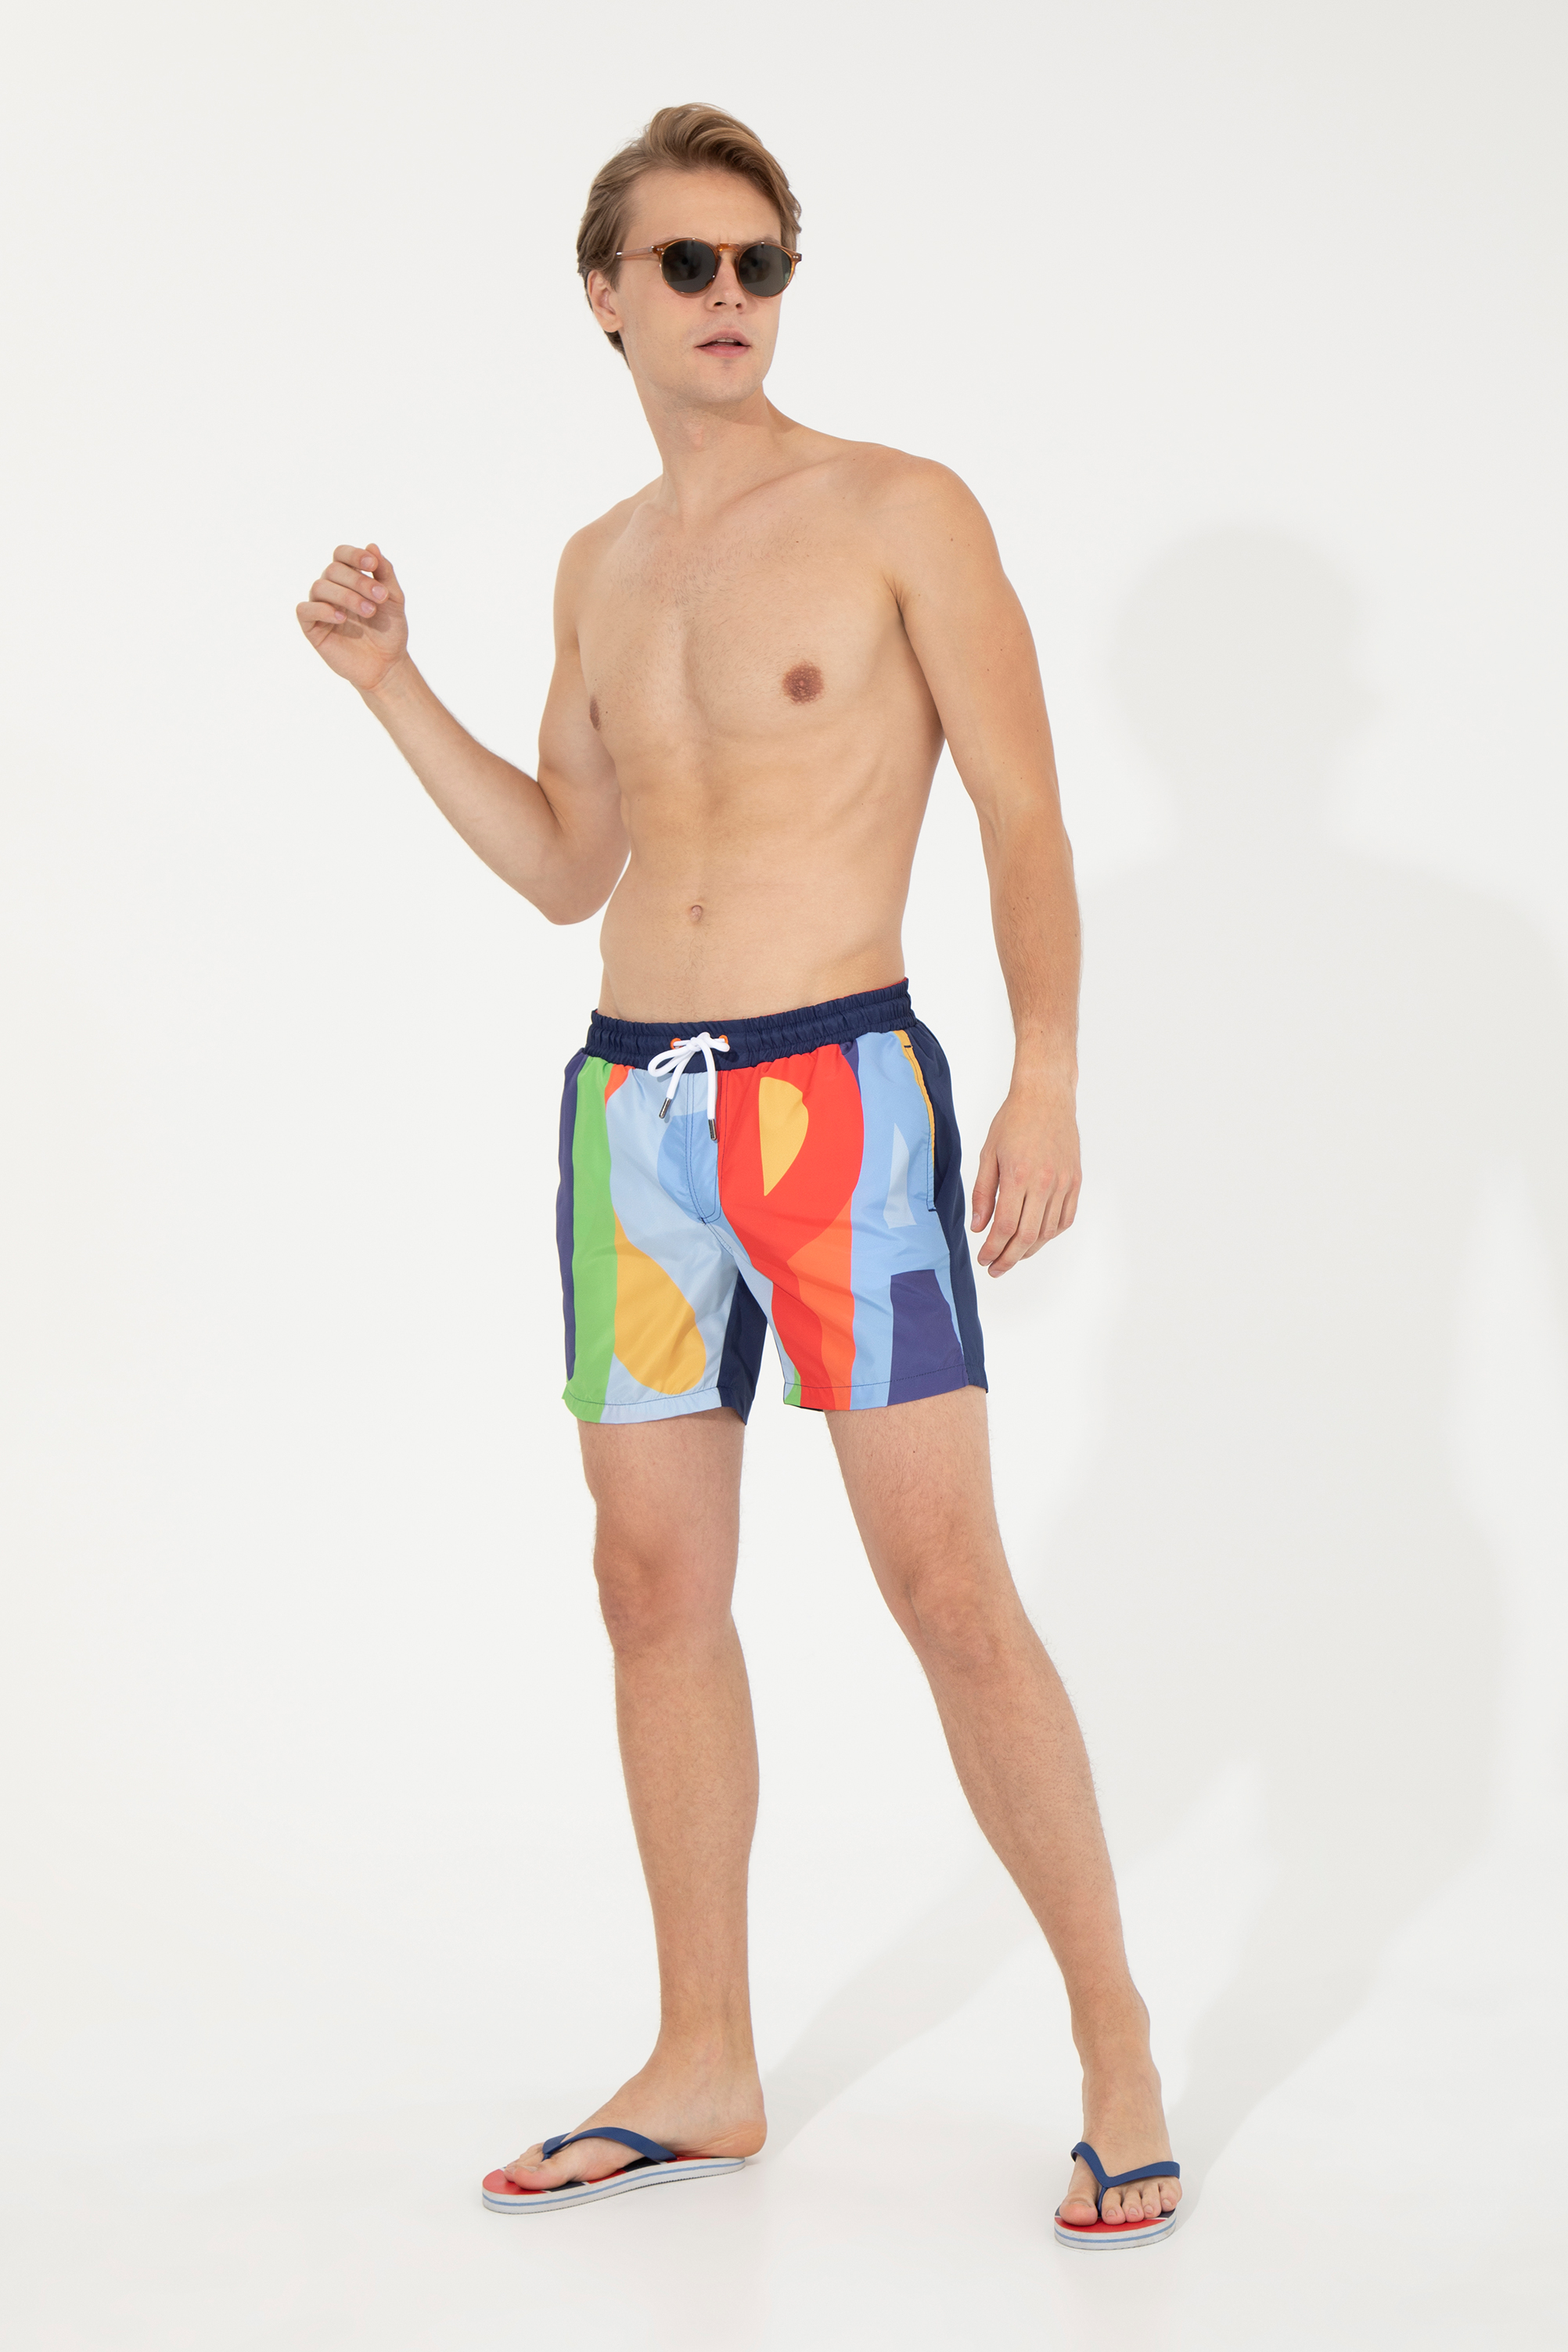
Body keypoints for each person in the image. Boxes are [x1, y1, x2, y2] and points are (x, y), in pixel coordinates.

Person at [294, 102, 1181, 2246]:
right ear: (601, 294)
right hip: (634, 1121)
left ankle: (1116, 2052)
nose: (726, 298)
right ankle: (703, 2060)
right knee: (649, 1588)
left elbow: (1024, 812)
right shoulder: (598, 566)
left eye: (758, 264)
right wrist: (389, 685)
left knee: (944, 1587)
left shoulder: (896, 510)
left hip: (843, 1096)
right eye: (685, 263)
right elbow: (563, 867)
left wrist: (1048, 1071)